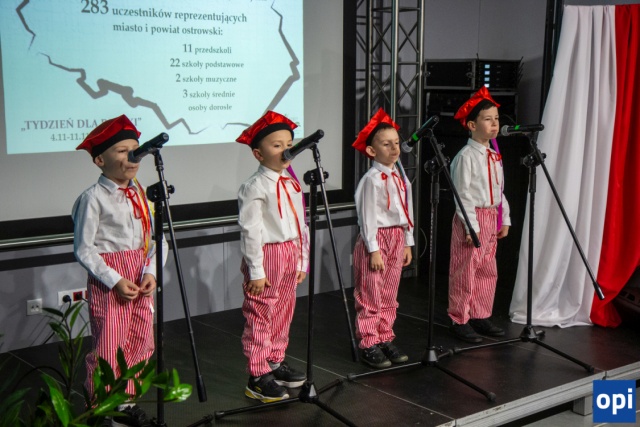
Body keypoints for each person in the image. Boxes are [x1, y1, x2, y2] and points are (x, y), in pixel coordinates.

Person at [73, 114, 168, 426]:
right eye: (122, 151)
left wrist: (151, 271)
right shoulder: (92, 198)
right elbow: (84, 248)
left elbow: (155, 239)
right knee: (109, 345)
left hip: (140, 276)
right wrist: (114, 280)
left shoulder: (142, 194)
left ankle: (125, 402)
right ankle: (101, 406)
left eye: (135, 150)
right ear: (100, 159)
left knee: (141, 341)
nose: (132, 156)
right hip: (111, 281)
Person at [236, 110, 309, 403]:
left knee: (283, 311)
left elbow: (300, 224)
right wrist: (256, 270)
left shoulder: (291, 182)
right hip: (267, 254)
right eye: (277, 145)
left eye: (289, 144)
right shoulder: (254, 186)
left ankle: (275, 361)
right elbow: (250, 230)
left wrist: (302, 260)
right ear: (258, 153)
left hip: (289, 252)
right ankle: (257, 374)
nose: (286, 150)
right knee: (261, 313)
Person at [351, 108, 414, 369]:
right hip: (376, 239)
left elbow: (406, 210)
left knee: (389, 292)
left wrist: (408, 240)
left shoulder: (400, 176)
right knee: (370, 292)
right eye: (386, 144)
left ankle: (384, 336)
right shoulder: (372, 180)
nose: (394, 148)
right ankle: (368, 341)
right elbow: (367, 216)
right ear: (371, 150)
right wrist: (373, 248)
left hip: (396, 236)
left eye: (396, 143)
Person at [448, 86, 511, 343]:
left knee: (487, 269)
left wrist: (504, 218)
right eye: (488, 119)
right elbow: (462, 195)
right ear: (472, 125)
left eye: (496, 118)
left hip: (490, 217)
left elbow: (499, 190)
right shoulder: (466, 157)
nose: (494, 123)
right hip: (471, 219)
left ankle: (479, 314)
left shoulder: (494, 155)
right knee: (465, 270)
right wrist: (471, 226)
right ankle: (459, 318)